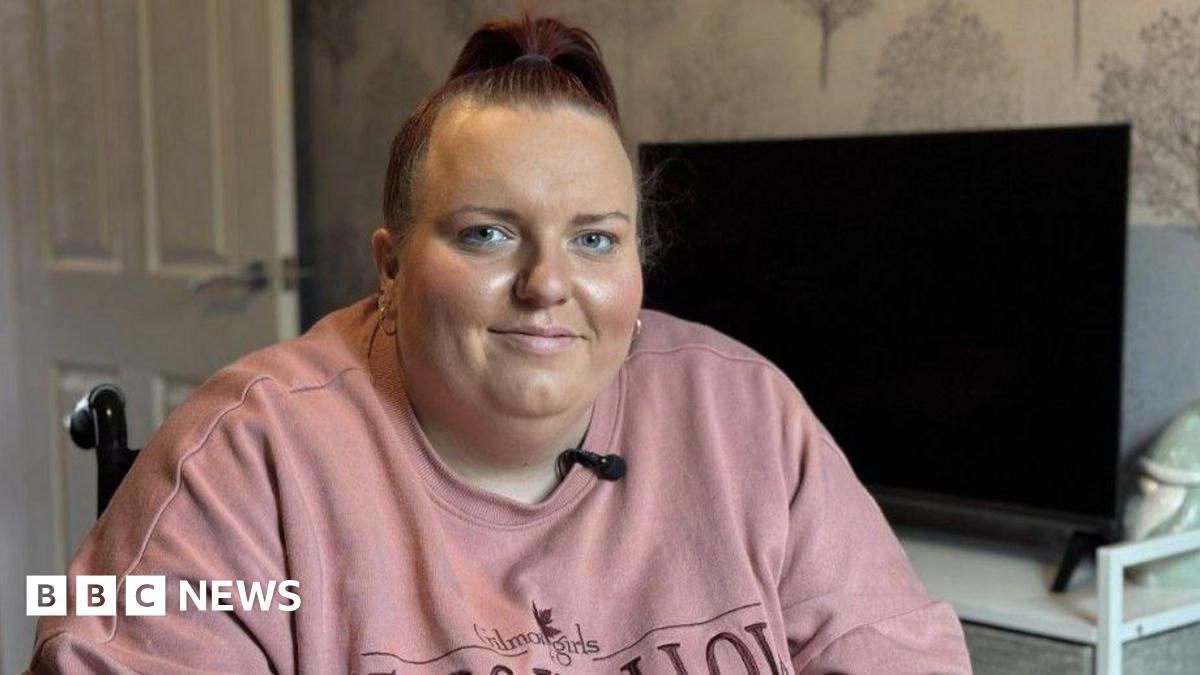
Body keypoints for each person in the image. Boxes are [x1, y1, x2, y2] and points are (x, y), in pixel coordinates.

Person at [30, 13, 971, 674]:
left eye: (594, 239)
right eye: (487, 232)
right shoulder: (240, 459)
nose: (547, 283)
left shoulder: (750, 413)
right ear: (391, 267)